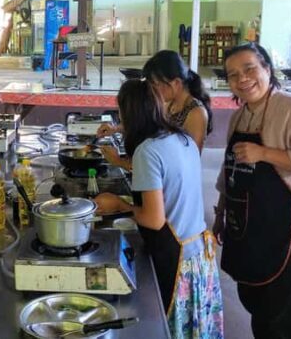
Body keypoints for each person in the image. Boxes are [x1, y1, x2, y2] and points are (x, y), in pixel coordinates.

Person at [213, 43, 291, 338]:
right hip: (253, 225)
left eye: (250, 69)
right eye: (232, 74)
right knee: (259, 304)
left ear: (267, 69)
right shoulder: (240, 116)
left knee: (286, 318)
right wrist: (221, 214)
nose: (242, 79)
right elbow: (230, 170)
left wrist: (264, 153)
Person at [95, 79, 224, 339]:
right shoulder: (180, 138)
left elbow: (154, 220)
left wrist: (119, 204)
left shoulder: (147, 151)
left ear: (128, 112)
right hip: (199, 257)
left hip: (178, 261)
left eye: (120, 112)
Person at [99, 50, 212, 169]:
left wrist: (120, 162)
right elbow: (148, 126)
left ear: (176, 83)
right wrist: (116, 129)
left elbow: (189, 161)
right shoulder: (166, 102)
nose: (152, 89)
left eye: (156, 84)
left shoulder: (196, 113)